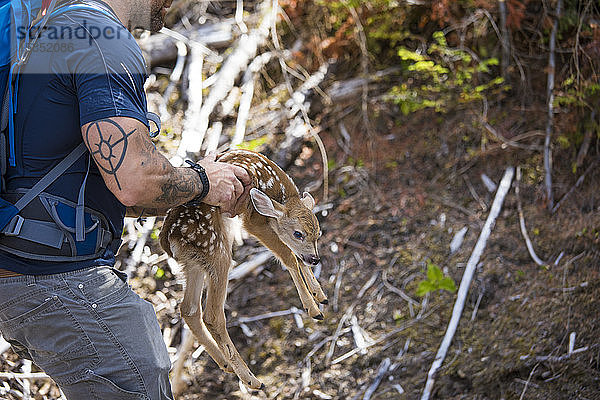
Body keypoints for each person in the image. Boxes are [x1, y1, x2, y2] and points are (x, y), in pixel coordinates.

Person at [0, 0, 250, 398]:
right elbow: (133, 182)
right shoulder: (102, 38)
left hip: (22, 275)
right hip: (62, 282)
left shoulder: (45, 34)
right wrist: (203, 181)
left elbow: (113, 192)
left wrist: (196, 186)